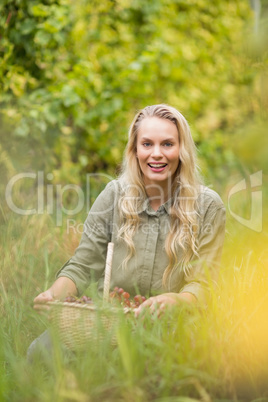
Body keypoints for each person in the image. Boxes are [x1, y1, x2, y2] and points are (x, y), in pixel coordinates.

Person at [28, 104, 225, 360]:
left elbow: (204, 283)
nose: (156, 154)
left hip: (168, 327)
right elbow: (82, 265)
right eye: (146, 144)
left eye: (167, 144)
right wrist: (54, 295)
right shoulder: (113, 195)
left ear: (182, 150)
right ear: (134, 150)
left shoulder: (207, 206)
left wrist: (178, 301)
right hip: (105, 323)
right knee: (40, 353)